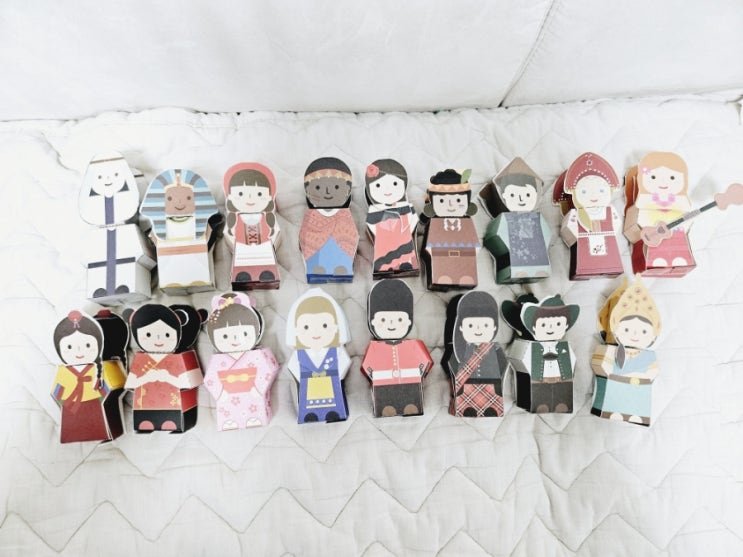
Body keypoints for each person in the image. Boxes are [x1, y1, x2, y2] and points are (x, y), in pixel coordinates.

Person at [591, 276, 661, 426]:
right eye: (627, 329)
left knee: (636, 405)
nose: (635, 334)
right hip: (612, 389)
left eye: (643, 331)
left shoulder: (648, 356)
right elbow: (599, 363)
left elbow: (653, 371)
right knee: (609, 399)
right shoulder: (611, 349)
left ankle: (636, 414)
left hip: (638, 391)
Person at [204, 292, 280, 430]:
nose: (234, 340)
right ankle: (230, 421)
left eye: (245, 333)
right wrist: (220, 393)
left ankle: (254, 418)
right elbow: (210, 379)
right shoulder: (217, 359)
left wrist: (258, 389)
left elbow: (270, 369)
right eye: (225, 336)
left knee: (254, 411)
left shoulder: (258, 354)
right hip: (226, 396)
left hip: (254, 393)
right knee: (229, 413)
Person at [125, 304, 206, 432]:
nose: (158, 340)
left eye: (167, 335)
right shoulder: (141, 358)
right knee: (146, 422)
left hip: (174, 407)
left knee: (172, 422)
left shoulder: (179, 357)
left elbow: (191, 382)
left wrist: (168, 378)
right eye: (148, 334)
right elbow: (131, 385)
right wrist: (146, 378)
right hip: (145, 406)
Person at [51, 310, 127, 443]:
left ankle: (104, 433)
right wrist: (66, 403)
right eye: (69, 347)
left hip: (96, 404)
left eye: (87, 345)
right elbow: (57, 390)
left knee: (101, 424)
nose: (78, 351)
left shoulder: (101, 367)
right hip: (71, 407)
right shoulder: (64, 370)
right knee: (75, 428)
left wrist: (106, 394)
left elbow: (113, 384)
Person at [361, 279, 433, 417]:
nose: (391, 324)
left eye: (400, 320)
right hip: (382, 383)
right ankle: (386, 408)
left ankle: (411, 407)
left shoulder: (414, 344)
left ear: (409, 321)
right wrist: (374, 376)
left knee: (411, 403)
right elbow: (366, 365)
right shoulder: (375, 347)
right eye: (383, 320)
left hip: (411, 381)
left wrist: (419, 372)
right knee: (385, 404)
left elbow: (427, 361)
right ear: (372, 321)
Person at [624, 151, 695, 276]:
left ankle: (679, 261)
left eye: (672, 178)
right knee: (656, 252)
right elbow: (639, 222)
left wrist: (686, 220)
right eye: (653, 177)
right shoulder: (644, 203)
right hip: (651, 236)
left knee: (679, 250)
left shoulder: (681, 203)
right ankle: (657, 260)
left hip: (677, 235)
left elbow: (687, 221)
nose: (663, 183)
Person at [286, 288, 351, 423]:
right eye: (306, 327)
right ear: (296, 330)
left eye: (324, 325)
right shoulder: (299, 354)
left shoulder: (336, 351)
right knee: (309, 409)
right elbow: (292, 366)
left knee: (334, 406)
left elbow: (345, 362)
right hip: (308, 388)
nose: (315, 331)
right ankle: (309, 414)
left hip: (331, 386)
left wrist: (336, 375)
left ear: (336, 327)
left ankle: (334, 413)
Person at [482, 157, 551, 283]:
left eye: (528, 195)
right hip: (512, 257)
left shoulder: (536, 217)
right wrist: (503, 246)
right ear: (503, 196)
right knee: (513, 265)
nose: (521, 199)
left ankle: (535, 271)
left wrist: (542, 244)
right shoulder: (505, 218)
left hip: (537, 256)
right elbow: (494, 236)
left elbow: (547, 234)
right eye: (513, 195)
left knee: (536, 265)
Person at [558, 152, 623, 280]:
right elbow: (568, 227)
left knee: (610, 262)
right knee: (585, 263)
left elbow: (616, 223)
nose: (593, 195)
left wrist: (609, 233)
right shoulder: (576, 213)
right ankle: (585, 271)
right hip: (584, 246)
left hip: (608, 244)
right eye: (584, 191)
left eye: (601, 190)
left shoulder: (610, 210)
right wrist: (576, 238)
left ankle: (610, 270)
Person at [444, 291, 507, 417]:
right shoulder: (460, 349)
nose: (478, 329)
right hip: (466, 385)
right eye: (471, 325)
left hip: (492, 385)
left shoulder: (495, 349)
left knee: (491, 408)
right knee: (467, 408)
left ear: (494, 327)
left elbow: (503, 365)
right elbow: (449, 363)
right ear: (461, 327)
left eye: (485, 325)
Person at [299, 158, 359, 283]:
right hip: (317, 253)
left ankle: (342, 267)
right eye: (318, 187)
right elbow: (304, 236)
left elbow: (352, 236)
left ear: (347, 190)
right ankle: (316, 268)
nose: (327, 192)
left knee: (341, 261)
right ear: (308, 190)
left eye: (336, 187)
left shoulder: (345, 213)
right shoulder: (311, 214)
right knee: (317, 261)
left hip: (341, 253)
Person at [223, 162, 281, 289]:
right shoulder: (235, 218)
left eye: (259, 194)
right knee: (242, 272)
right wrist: (237, 245)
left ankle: (267, 276)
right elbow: (228, 234)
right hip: (242, 251)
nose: (250, 198)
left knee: (267, 271)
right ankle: (243, 278)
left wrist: (270, 243)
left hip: (264, 250)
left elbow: (275, 232)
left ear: (269, 197)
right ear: (230, 196)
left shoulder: (267, 217)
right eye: (241, 194)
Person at [422, 168, 479, 289]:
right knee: (442, 277)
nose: (451, 205)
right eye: (442, 200)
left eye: (458, 200)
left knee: (465, 276)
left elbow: (475, 244)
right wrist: (435, 254)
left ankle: (464, 279)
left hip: (465, 258)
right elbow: (429, 246)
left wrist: (471, 253)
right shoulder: (435, 223)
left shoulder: (467, 222)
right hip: (441, 259)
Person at [365, 159, 420, 278]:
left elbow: (414, 219)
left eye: (395, 184)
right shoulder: (374, 209)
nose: (387, 190)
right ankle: (383, 268)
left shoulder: (406, 206)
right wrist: (383, 233)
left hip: (404, 237)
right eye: (378, 185)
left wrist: (406, 230)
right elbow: (370, 223)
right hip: (383, 239)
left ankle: (407, 266)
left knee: (407, 256)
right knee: (383, 256)